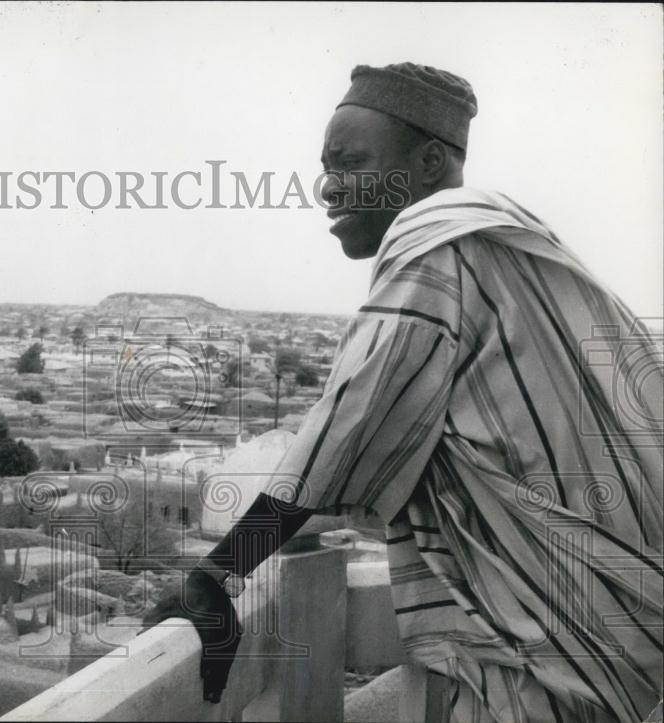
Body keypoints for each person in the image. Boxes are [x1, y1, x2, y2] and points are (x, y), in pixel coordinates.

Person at [144, 62, 663, 722]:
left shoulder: (435, 248)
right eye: (325, 167)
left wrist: (216, 574)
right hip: (609, 624)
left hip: (553, 652)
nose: (327, 187)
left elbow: (347, 425)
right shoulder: (505, 239)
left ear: (428, 163)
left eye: (350, 162)